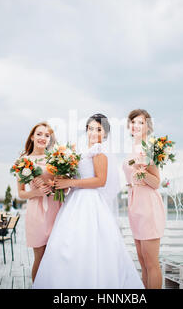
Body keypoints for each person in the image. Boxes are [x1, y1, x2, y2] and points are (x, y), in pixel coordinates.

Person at [32, 113, 143, 289]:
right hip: (73, 201)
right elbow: (73, 176)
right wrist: (59, 181)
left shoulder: (99, 152)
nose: (93, 132)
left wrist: (70, 182)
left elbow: (100, 181)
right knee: (67, 245)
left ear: (105, 134)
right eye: (90, 128)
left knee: (89, 244)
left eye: (98, 129)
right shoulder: (81, 152)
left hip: (90, 202)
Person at [123, 109, 165, 289]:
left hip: (148, 206)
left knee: (151, 262)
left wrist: (143, 174)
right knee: (142, 261)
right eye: (133, 122)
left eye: (141, 122)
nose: (136, 126)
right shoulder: (132, 149)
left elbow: (156, 182)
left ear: (147, 127)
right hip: (135, 205)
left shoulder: (151, 149)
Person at [17, 122, 60, 282]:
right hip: (36, 213)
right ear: (32, 136)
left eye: (47, 135)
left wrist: (56, 186)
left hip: (57, 210)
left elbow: (63, 186)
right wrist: (36, 192)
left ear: (50, 139)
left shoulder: (56, 159)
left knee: (56, 259)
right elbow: (21, 193)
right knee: (40, 258)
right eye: (39, 134)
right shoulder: (24, 161)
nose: (43, 138)